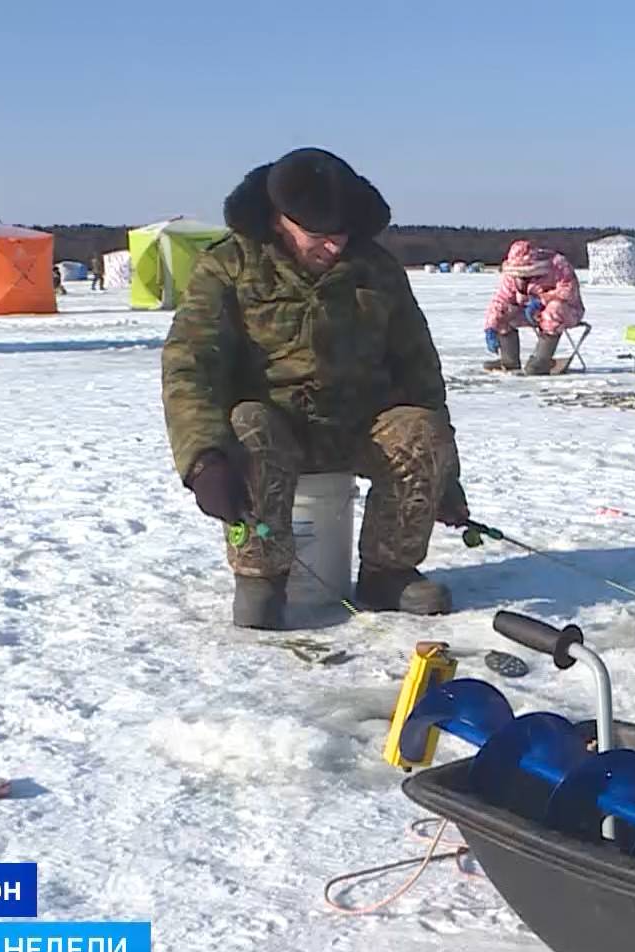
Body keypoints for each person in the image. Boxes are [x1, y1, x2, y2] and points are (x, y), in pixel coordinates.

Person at [160, 148, 469, 629]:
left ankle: (388, 573)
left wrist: (444, 476)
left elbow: (419, 371)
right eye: (318, 237)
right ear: (280, 221)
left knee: (419, 429)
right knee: (248, 426)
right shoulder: (229, 266)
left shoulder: (377, 270)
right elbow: (189, 364)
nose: (334, 248)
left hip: (356, 425)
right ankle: (262, 578)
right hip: (274, 426)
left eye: (342, 236)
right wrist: (202, 459)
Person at [481, 240, 583, 375]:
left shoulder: (558, 265)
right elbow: (501, 299)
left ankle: (541, 361)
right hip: (528, 312)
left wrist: (542, 300)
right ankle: (509, 361)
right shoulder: (512, 275)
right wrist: (491, 326)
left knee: (553, 310)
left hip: (567, 311)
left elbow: (568, 291)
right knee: (503, 313)